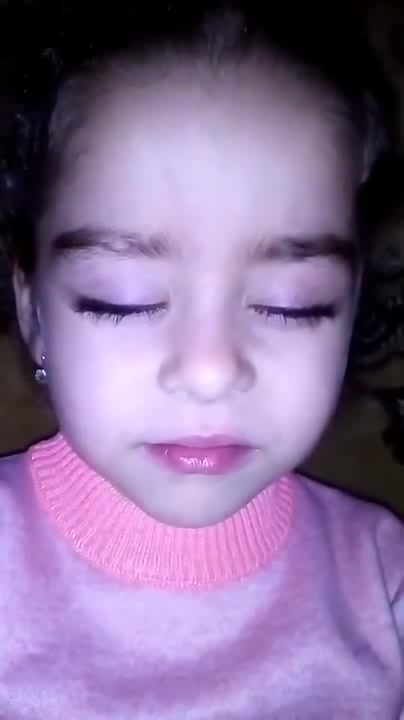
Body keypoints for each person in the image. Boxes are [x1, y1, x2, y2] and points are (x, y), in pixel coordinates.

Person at [0, 1, 402, 717]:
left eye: (294, 303)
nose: (211, 371)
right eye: (122, 299)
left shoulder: (384, 583)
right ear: (34, 314)